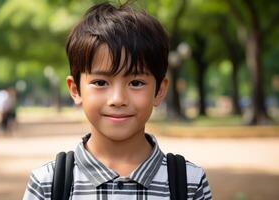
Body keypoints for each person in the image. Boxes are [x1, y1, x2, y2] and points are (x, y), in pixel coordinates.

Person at [23, 2, 212, 200]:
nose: (118, 99)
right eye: (100, 82)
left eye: (136, 83)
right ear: (75, 89)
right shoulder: (47, 183)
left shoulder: (189, 183)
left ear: (159, 90)